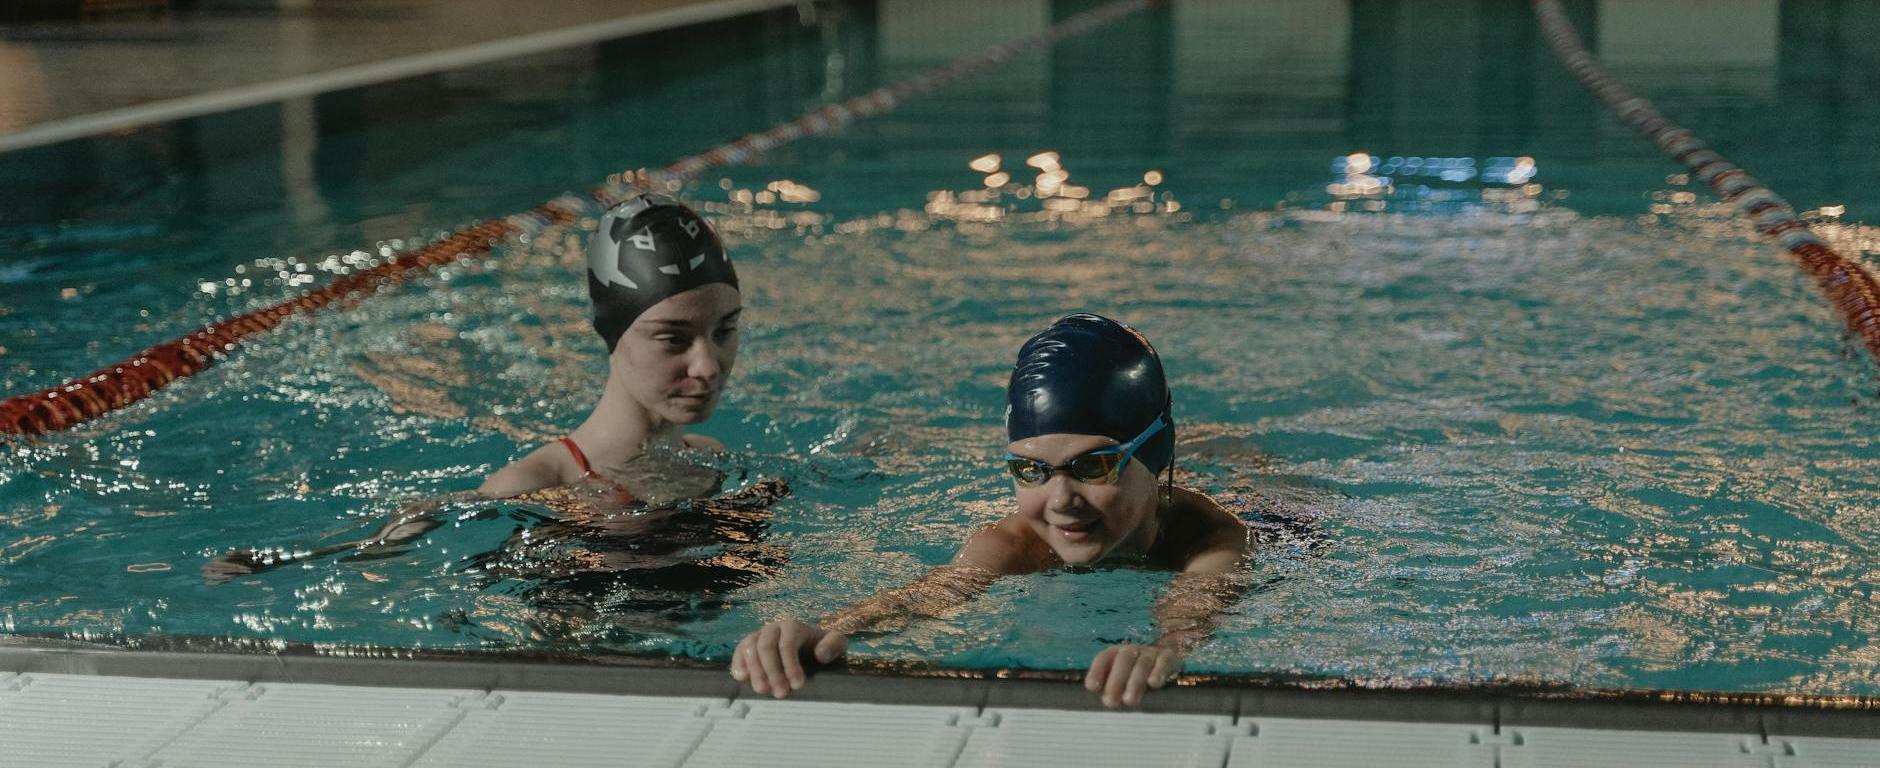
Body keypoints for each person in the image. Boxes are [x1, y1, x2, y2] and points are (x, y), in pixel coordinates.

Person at [203, 193, 770, 585]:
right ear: (611, 332)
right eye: (673, 339)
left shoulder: (709, 459)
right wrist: (285, 561)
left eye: (725, 332)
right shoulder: (540, 481)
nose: (708, 366)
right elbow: (420, 528)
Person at [729, 313, 1254, 708]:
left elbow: (1200, 599)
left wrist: (1166, 647)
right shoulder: (1017, 540)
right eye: (1030, 470)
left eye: (1093, 466)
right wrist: (827, 628)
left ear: (1155, 454)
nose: (1060, 501)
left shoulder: (1213, 534)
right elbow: (928, 594)